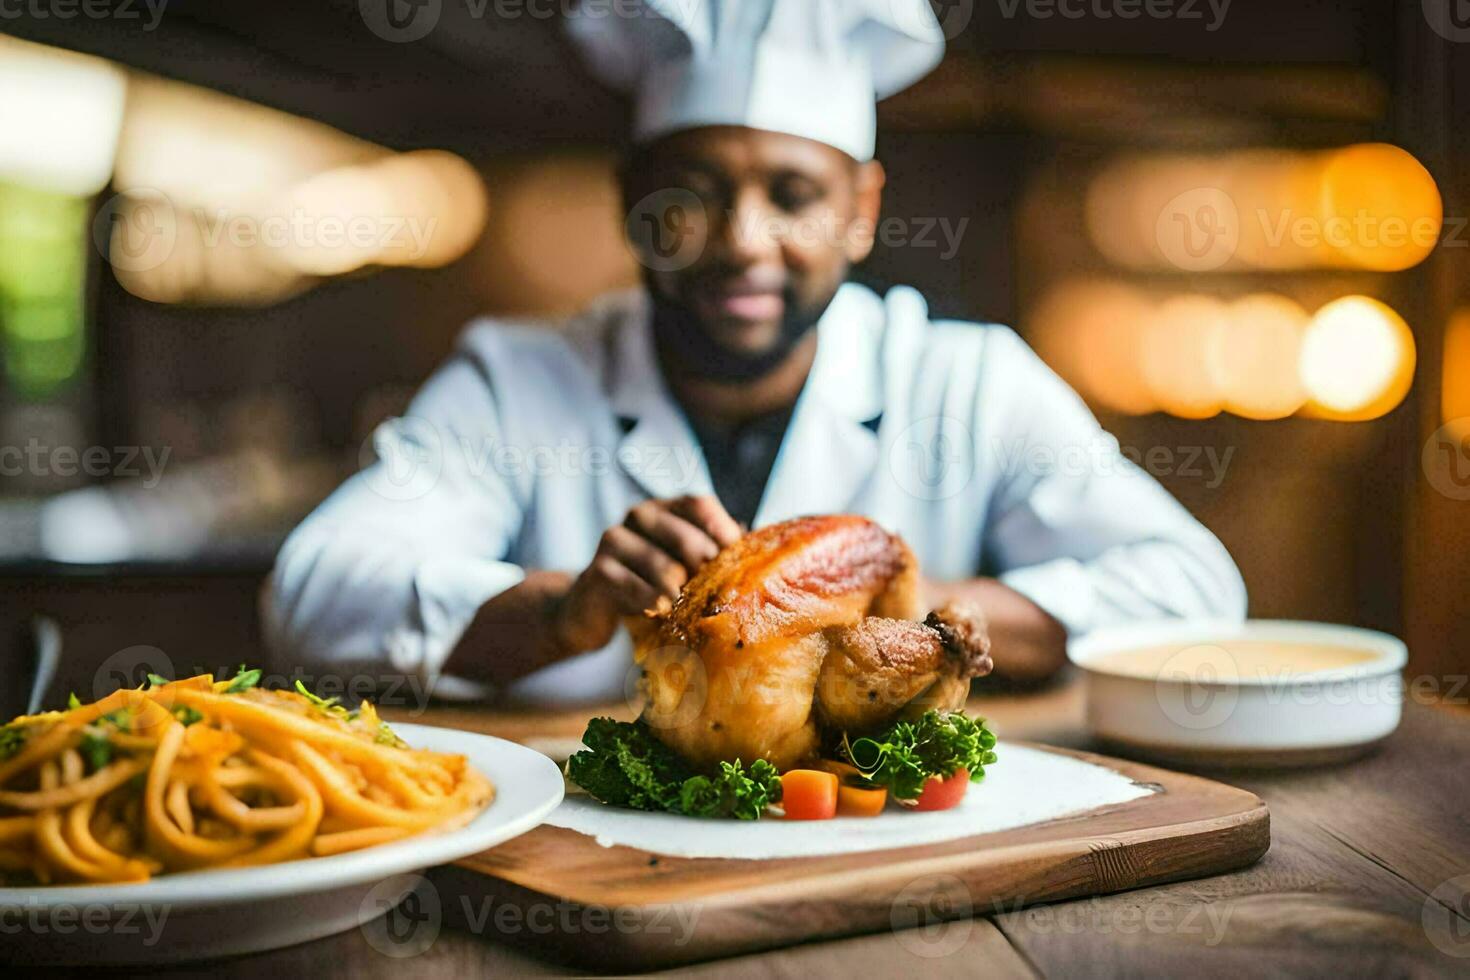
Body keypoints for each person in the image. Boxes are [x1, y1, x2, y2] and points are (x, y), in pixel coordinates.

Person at [265, 0, 1245, 705]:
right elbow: (310, 594)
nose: (741, 239)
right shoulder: (519, 379)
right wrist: (563, 609)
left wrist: (909, 602)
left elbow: (1195, 589)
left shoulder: (966, 379)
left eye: (792, 196)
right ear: (632, 204)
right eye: (690, 193)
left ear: (860, 211)